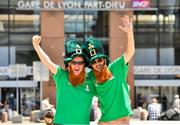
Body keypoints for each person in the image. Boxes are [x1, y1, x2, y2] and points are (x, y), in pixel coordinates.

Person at [32, 36, 96, 124]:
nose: (77, 66)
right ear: (69, 64)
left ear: (84, 64)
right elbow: (48, 63)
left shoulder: (91, 80)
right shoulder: (61, 76)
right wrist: (37, 47)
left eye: (80, 63)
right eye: (74, 62)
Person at [83, 15, 134, 124]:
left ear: (104, 60)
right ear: (90, 65)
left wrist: (129, 32)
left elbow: (130, 52)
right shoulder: (91, 76)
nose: (98, 64)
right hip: (104, 121)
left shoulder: (116, 67)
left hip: (122, 121)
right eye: (94, 62)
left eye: (99, 60)